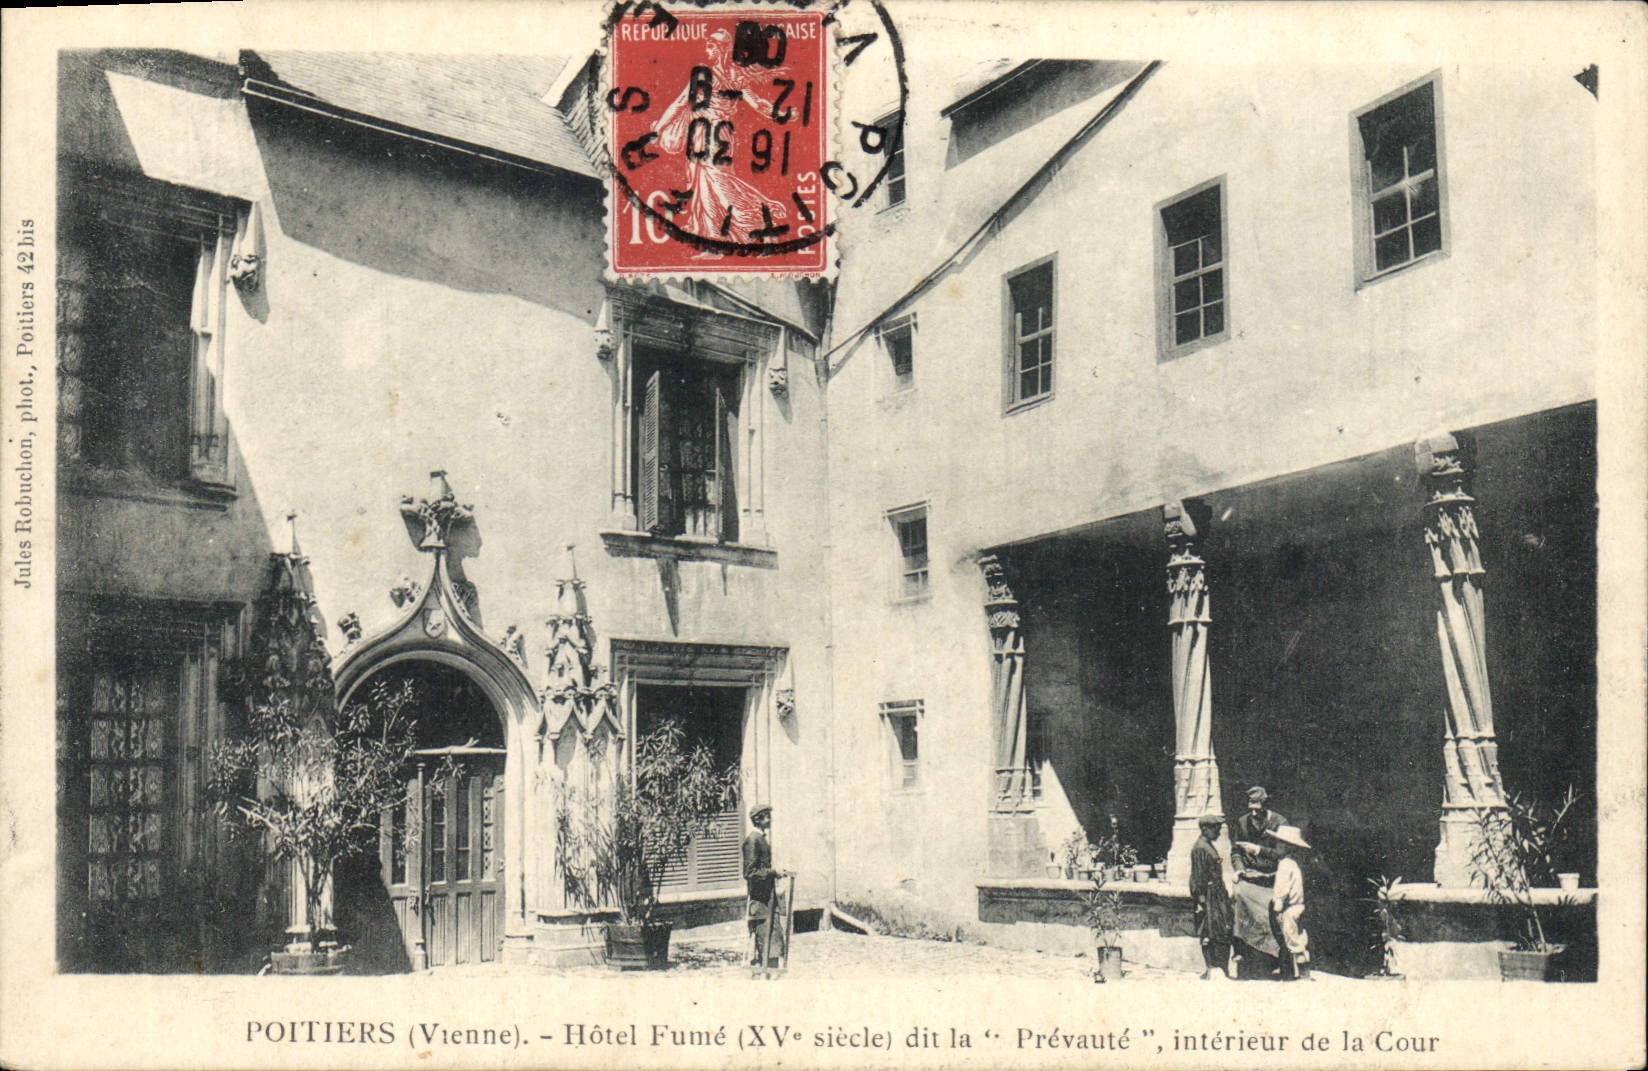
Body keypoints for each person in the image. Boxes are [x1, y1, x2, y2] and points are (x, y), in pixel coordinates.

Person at [1228, 786, 1287, 976]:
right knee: (1237, 894)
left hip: (1272, 879)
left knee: (1273, 906)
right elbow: (1235, 851)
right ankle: (1241, 949)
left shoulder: (1279, 822)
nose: (1253, 813)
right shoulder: (1242, 822)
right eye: (1251, 808)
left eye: (1258, 809)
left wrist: (1258, 850)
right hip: (1250, 877)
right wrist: (1238, 870)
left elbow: (1281, 853)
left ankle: (1276, 955)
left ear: (1266, 805)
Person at [1188, 811, 1234, 980]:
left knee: (1221, 930)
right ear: (1205, 828)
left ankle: (1220, 969)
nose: (1219, 832)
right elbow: (1198, 877)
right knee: (1210, 931)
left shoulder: (1207, 845)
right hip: (1209, 896)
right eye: (1216, 829)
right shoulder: (1200, 848)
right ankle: (1213, 968)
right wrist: (1201, 901)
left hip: (1216, 893)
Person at [743, 803, 786, 970]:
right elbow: (750, 873)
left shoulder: (761, 839)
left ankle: (771, 974)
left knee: (773, 939)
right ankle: (768, 976)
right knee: (767, 941)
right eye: (767, 816)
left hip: (768, 899)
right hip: (760, 901)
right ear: (758, 819)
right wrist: (773, 872)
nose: (770, 820)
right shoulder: (753, 840)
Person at [1266, 825, 1312, 981]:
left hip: (1289, 908)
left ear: (1288, 846)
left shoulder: (1285, 864)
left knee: (1291, 940)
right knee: (1298, 937)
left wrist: (1277, 905)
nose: (1277, 846)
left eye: (1281, 844)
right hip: (1298, 906)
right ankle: (1301, 973)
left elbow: (1282, 889)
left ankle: (1296, 973)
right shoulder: (1295, 863)